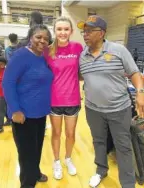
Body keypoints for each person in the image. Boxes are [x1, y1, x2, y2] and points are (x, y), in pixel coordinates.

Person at [77, 15, 144, 188]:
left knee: (123, 146)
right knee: (98, 141)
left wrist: (140, 92)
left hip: (119, 109)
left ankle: (128, 183)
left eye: (89, 31)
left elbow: (134, 73)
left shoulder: (118, 50)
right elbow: (81, 76)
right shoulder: (82, 56)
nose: (84, 34)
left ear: (101, 33)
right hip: (93, 109)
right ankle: (101, 171)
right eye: (83, 31)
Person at [2, 24, 53, 188]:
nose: (42, 41)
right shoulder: (20, 56)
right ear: (30, 37)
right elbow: (7, 83)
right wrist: (15, 110)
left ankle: (35, 172)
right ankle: (27, 183)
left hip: (40, 113)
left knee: (36, 148)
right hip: (23, 115)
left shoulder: (43, 57)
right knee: (26, 154)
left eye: (46, 38)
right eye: (38, 37)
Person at [44, 16, 83, 180]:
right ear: (55, 31)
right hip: (54, 100)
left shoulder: (78, 47)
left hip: (73, 99)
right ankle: (56, 161)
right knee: (56, 133)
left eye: (66, 29)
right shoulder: (48, 50)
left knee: (71, 133)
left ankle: (68, 158)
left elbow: (83, 70)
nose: (63, 32)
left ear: (71, 31)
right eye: (59, 29)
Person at [0, 56, 11, 134]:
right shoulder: (1, 72)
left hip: (3, 95)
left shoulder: (4, 73)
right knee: (4, 109)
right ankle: (9, 120)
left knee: (0, 111)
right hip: (1, 94)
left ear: (2, 65)